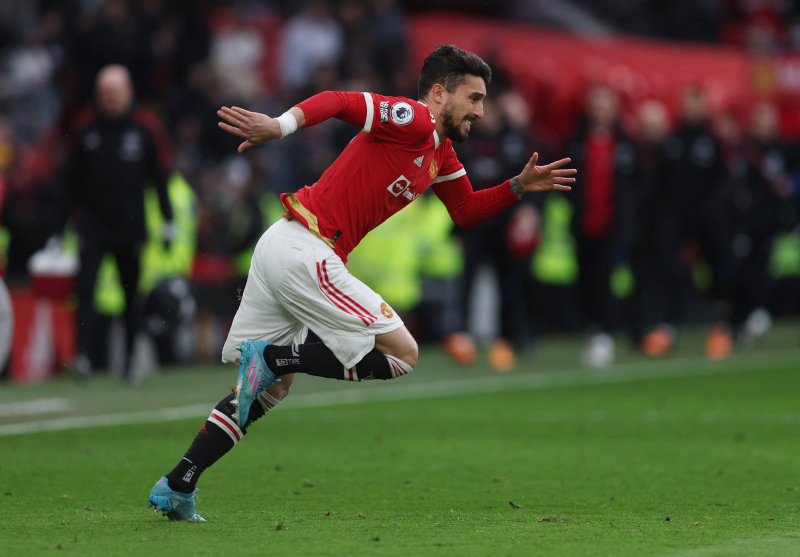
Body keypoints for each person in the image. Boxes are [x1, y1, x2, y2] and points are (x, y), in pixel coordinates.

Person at [147, 44, 576, 521]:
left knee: (269, 392)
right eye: (473, 98)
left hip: (285, 246)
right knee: (402, 354)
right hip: (306, 248)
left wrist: (517, 186)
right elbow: (339, 100)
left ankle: (178, 483)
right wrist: (279, 126)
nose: (480, 110)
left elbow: (465, 209)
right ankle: (272, 357)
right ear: (439, 94)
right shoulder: (415, 119)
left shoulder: (440, 150)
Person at [65, 65, 174, 381]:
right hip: (93, 226)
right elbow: (70, 181)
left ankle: (129, 359)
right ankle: (82, 356)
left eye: (114, 92)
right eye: (104, 93)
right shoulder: (85, 130)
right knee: (86, 289)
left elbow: (159, 178)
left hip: (130, 226)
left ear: (128, 93)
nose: (109, 98)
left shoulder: (144, 130)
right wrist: (61, 225)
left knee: (131, 296)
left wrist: (168, 220)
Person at [563, 85, 639, 368]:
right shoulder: (575, 141)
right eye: (596, 105)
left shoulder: (626, 143)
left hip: (614, 225)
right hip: (584, 224)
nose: (600, 111)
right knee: (586, 281)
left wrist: (628, 218)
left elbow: (636, 184)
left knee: (610, 281)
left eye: (605, 105)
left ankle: (607, 333)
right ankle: (595, 329)